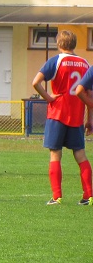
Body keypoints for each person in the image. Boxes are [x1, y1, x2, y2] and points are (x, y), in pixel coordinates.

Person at [31, 30, 93, 205]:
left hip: (57, 114)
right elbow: (89, 94)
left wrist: (49, 98)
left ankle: (57, 196)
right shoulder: (85, 63)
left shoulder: (56, 61)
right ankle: (89, 195)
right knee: (80, 154)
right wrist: (90, 119)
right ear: (74, 44)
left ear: (59, 44)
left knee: (55, 154)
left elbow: (35, 82)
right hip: (77, 116)